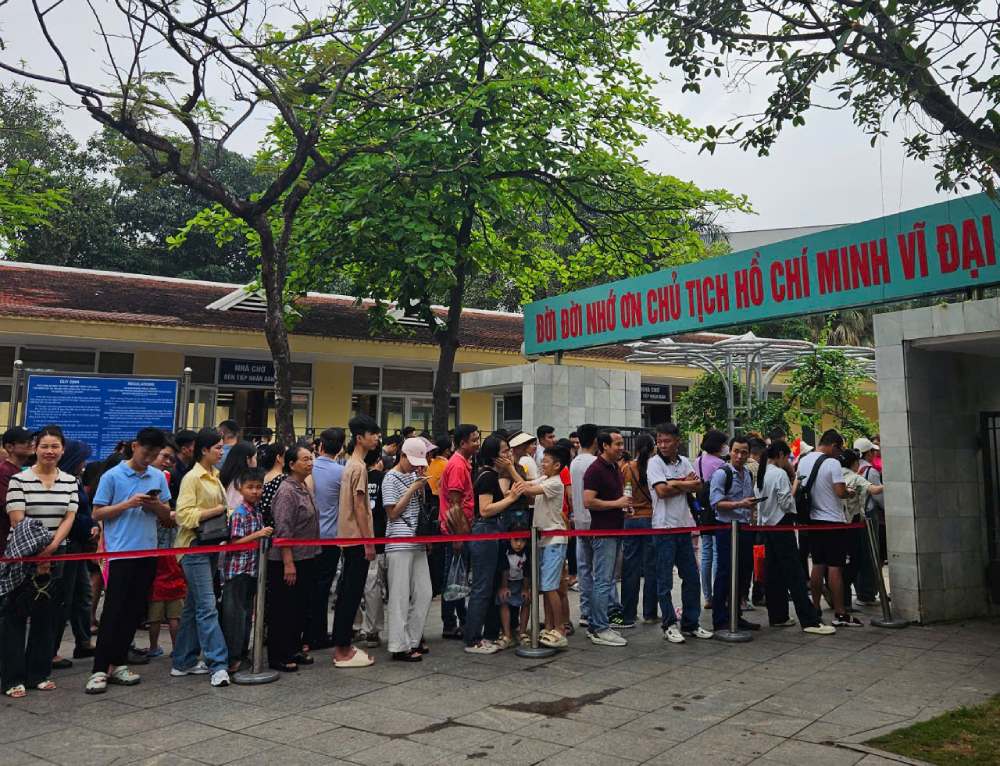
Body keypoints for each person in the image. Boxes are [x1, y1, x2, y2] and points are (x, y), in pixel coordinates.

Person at [86, 427, 172, 694]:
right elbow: (97, 513)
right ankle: (99, 668)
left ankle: (119, 662)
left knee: (133, 612)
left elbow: (168, 516)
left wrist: (156, 506)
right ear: (135, 446)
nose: (150, 458)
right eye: (146, 452)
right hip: (120, 553)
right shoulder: (112, 476)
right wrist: (128, 503)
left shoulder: (157, 476)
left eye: (155, 454)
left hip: (148, 552)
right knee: (113, 611)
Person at [3, 425, 78, 697]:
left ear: (62, 450)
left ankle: (39, 673)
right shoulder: (19, 480)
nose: (49, 451)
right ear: (35, 448)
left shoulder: (69, 481)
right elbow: (17, 518)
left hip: (56, 554)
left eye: (55, 446)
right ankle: (11, 678)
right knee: (15, 616)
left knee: (47, 615)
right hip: (23, 554)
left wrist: (52, 548)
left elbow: (69, 517)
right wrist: (37, 552)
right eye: (44, 446)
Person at [755, 440, 835, 635]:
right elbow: (785, 503)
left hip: (767, 527)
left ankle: (778, 616)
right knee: (795, 574)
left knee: (773, 574)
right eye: (787, 457)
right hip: (782, 525)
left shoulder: (762, 473)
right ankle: (810, 620)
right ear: (781, 455)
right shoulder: (779, 474)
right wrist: (796, 486)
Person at [172, 428, 231, 687]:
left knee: (194, 606)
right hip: (194, 546)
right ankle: (218, 664)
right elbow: (183, 515)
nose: (221, 452)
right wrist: (215, 511)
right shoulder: (192, 478)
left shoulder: (215, 476)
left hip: (211, 545)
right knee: (207, 606)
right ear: (204, 450)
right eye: (217, 447)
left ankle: (182, 661)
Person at [647, 422, 713, 643]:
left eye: (667, 441)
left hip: (684, 526)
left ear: (677, 441)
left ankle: (691, 623)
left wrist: (675, 483)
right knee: (664, 580)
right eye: (659, 441)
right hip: (663, 528)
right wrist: (682, 483)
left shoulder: (685, 461)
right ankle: (669, 624)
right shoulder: (654, 463)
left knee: (692, 577)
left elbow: (698, 486)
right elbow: (661, 491)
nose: (662, 445)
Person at [795, 429, 860, 627]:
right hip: (833, 521)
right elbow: (840, 492)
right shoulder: (832, 463)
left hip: (813, 520)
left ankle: (815, 608)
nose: (839, 454)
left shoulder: (803, 460)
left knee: (817, 565)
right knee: (835, 567)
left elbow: (796, 488)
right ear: (833, 445)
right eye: (839, 450)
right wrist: (850, 492)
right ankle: (840, 613)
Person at [466, 434, 524, 654]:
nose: (509, 454)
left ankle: (487, 634)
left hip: (491, 531)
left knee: (489, 585)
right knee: (482, 587)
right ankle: (473, 638)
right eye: (504, 451)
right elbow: (485, 509)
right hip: (485, 531)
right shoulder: (488, 476)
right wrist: (510, 498)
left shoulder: (492, 475)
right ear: (493, 456)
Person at [331, 415, 380, 668]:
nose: (377, 438)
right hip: (356, 539)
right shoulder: (358, 467)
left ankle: (343, 644)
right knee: (351, 594)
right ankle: (342, 649)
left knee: (347, 593)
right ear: (360, 438)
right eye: (373, 434)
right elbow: (360, 507)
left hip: (348, 538)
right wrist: (368, 542)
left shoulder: (350, 464)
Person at [267, 444, 320, 671]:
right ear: (291, 464)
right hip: (287, 560)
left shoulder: (303, 486)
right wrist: (288, 563)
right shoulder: (286, 491)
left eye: (311, 458)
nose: (310, 463)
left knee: (299, 607)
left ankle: (294, 648)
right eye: (304, 459)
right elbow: (283, 530)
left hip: (306, 557)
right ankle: (279, 654)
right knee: (284, 609)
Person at [382, 438, 432, 662]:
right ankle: (398, 644)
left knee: (425, 592)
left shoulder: (414, 476)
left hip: (417, 539)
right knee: (399, 595)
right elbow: (392, 513)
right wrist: (413, 489)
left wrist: (419, 487)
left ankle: (412, 639)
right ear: (402, 456)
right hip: (399, 540)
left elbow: (420, 508)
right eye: (412, 462)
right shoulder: (390, 478)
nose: (414, 466)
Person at [220, 468, 273, 672]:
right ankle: (232, 658)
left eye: (259, 487)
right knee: (234, 616)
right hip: (238, 572)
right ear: (240, 488)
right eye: (250, 487)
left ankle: (242, 653)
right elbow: (235, 543)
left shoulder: (257, 511)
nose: (255, 491)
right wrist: (258, 534)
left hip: (252, 570)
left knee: (246, 614)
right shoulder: (239, 513)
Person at [52, 439, 98, 668]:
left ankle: (83, 640)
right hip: (67, 544)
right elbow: (69, 513)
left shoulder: (76, 479)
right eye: (82, 460)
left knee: (83, 593)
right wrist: (87, 525)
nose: (84, 464)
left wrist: (91, 526)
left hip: (79, 544)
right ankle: (51, 650)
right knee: (64, 597)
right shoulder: (62, 481)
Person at [583, 430, 632, 647]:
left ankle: (599, 623)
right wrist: (616, 504)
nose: (621, 448)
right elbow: (588, 501)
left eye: (621, 444)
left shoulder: (614, 468)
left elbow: (615, 499)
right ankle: (599, 627)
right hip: (603, 533)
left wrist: (623, 508)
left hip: (616, 529)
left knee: (608, 579)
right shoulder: (595, 469)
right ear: (604, 446)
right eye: (617, 444)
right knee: (603, 581)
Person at [520, 445, 570, 648]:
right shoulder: (546, 479)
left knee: (550, 586)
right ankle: (548, 626)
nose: (542, 463)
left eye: (546, 461)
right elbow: (527, 485)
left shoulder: (556, 483)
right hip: (542, 540)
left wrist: (511, 469)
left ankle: (560, 628)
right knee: (546, 586)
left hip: (554, 541)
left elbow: (528, 489)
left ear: (557, 465)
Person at [709, 435, 760, 632]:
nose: (739, 456)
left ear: (748, 454)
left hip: (744, 528)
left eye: (744, 452)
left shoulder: (747, 473)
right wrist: (740, 504)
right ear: (730, 451)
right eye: (736, 451)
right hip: (726, 529)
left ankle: (736, 615)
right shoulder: (722, 474)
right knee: (725, 572)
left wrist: (751, 508)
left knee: (743, 572)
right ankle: (720, 618)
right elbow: (716, 503)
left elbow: (748, 499)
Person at [304, 427, 344, 650]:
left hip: (307, 537)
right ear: (340, 448)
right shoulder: (341, 472)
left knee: (309, 586)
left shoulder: (308, 468)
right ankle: (317, 634)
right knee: (323, 587)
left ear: (320, 446)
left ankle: (307, 632)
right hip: (330, 536)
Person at [438, 424, 480, 639]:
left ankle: (461, 619)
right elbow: (454, 504)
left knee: (458, 576)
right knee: (452, 577)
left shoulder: (463, 463)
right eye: (474, 440)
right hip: (455, 531)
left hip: (460, 529)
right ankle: (450, 623)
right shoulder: (457, 465)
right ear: (462, 443)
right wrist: (458, 536)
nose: (477, 443)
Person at [620, 433, 657, 628]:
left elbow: (624, 492)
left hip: (631, 520)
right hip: (651, 519)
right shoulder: (655, 467)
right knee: (651, 567)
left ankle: (628, 614)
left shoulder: (627, 468)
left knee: (630, 568)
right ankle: (650, 613)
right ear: (653, 448)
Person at [840, 447, 885, 607]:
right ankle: (845, 595)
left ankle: (843, 598)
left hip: (835, 524)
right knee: (856, 561)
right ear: (854, 463)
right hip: (853, 524)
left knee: (840, 562)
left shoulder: (836, 475)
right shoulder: (855, 477)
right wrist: (889, 484)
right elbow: (874, 490)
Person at [695, 430, 727, 610]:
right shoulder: (720, 464)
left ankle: (707, 596)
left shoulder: (698, 461)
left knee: (706, 553)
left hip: (703, 511)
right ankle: (717, 595)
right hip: (716, 510)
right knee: (716, 553)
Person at [570, 423, 598, 628]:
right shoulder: (596, 463)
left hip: (580, 521)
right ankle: (604, 611)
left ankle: (586, 611)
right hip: (596, 521)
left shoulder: (574, 463)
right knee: (602, 572)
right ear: (596, 440)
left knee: (584, 569)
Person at [359, 449, 388, 648]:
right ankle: (373, 629)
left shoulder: (357, 477)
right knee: (376, 586)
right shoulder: (383, 478)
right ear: (379, 460)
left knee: (369, 586)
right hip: (381, 537)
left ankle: (368, 628)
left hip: (361, 537)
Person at [853, 437, 885, 605]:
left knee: (860, 554)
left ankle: (861, 591)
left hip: (856, 516)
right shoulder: (870, 471)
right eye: (873, 451)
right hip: (870, 515)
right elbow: (879, 497)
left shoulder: (854, 469)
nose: (875, 454)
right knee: (871, 554)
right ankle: (867, 593)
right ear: (868, 453)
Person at [0, 427, 34, 553]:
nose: (31, 444)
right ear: (9, 447)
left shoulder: (19, 470)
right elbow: (8, 506)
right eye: (25, 442)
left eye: (31, 440)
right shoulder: (4, 471)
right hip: (5, 537)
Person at [496, 537, 530, 646]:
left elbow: (527, 571)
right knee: (503, 599)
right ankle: (507, 634)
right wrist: (504, 586)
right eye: (516, 540)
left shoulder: (527, 551)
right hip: (506, 581)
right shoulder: (504, 550)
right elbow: (504, 569)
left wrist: (525, 588)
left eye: (523, 540)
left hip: (521, 581)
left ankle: (522, 632)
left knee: (526, 600)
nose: (519, 544)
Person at [219, 441, 258, 512]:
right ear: (248, 459)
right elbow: (233, 508)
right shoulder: (239, 482)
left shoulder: (233, 477)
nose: (256, 461)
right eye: (255, 458)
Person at [258, 442, 286, 526]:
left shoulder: (262, 476)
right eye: (286, 455)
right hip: (278, 526)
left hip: (263, 526)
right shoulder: (283, 479)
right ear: (278, 458)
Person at [170, 430, 197, 500]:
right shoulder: (171, 467)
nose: (199, 450)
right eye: (196, 446)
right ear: (184, 449)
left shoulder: (194, 466)